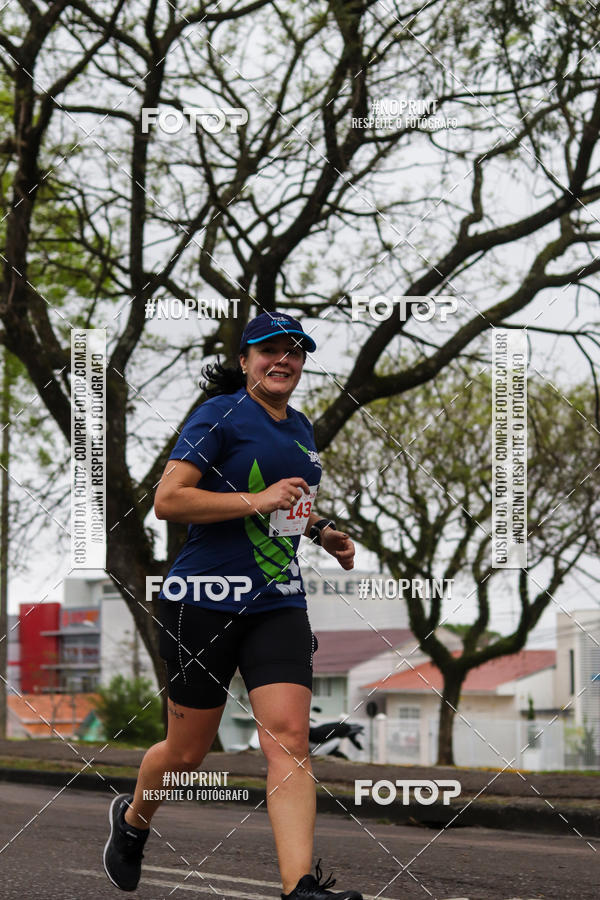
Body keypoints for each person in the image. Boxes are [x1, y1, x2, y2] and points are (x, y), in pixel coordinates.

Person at [103, 311, 364, 900]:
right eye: (270, 350)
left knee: (290, 739)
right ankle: (134, 819)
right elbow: (168, 501)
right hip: (204, 600)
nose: (284, 360)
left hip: (278, 601)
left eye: (295, 352)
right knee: (188, 753)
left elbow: (285, 505)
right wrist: (258, 498)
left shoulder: (301, 428)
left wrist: (320, 530)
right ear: (246, 359)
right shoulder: (218, 415)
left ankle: (300, 888)